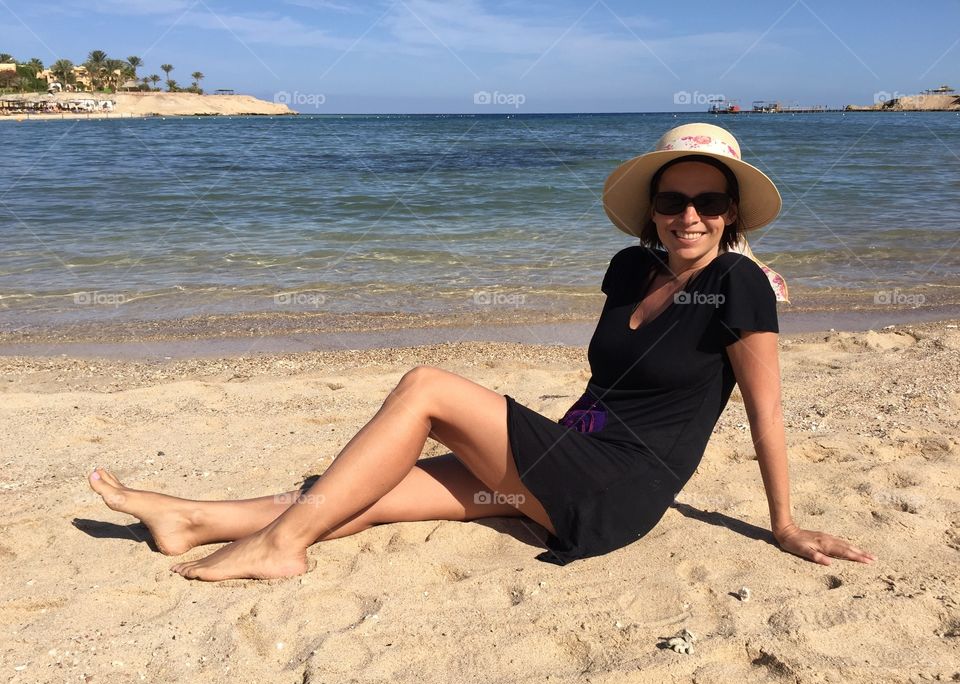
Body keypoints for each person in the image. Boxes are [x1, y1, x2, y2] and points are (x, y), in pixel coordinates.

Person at [89, 122, 876, 581]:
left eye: (708, 202)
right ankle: (192, 521)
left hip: (618, 489)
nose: (689, 215)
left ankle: (282, 548)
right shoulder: (629, 268)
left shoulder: (742, 285)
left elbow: (766, 414)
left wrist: (784, 523)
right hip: (573, 455)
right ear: (653, 210)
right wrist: (545, 449)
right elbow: (611, 385)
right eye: (674, 200)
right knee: (367, 492)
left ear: (731, 211)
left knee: (427, 386)